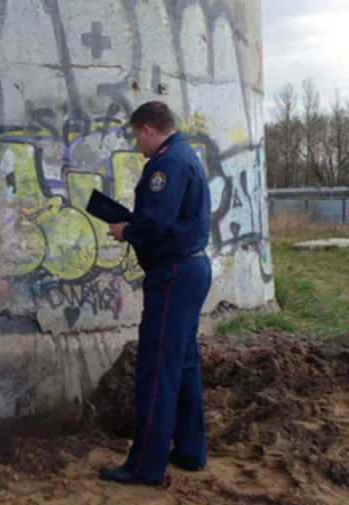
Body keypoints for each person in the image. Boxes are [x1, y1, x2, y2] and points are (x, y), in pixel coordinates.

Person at [100, 101, 213, 486]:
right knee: (182, 366)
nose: (137, 146)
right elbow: (171, 218)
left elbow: (158, 221)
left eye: (136, 136)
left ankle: (144, 466)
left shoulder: (167, 163)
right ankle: (190, 450)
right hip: (191, 269)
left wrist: (127, 231)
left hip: (175, 274)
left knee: (157, 369)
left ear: (148, 129)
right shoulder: (187, 156)